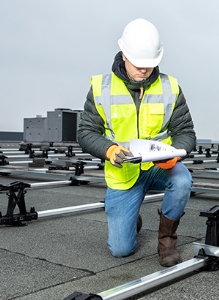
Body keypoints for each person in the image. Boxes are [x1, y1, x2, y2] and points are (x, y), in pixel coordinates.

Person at [77, 18, 196, 267]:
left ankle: (167, 241)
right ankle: (132, 219)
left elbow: (186, 132)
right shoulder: (101, 87)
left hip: (159, 167)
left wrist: (174, 153)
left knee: (183, 180)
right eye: (138, 64)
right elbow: (86, 132)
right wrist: (108, 149)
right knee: (121, 250)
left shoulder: (170, 86)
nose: (144, 69)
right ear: (124, 55)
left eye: (150, 64)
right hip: (124, 172)